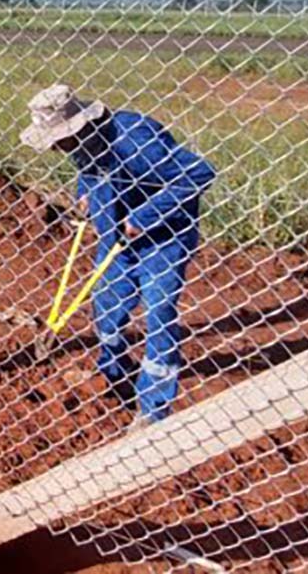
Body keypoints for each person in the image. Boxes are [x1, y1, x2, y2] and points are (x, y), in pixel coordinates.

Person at [21, 84, 215, 428]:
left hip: (162, 242)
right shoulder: (85, 142)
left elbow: (198, 174)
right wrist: (85, 197)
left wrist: (142, 219)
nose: (54, 148)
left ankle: (153, 410)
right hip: (116, 240)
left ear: (78, 126)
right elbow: (91, 170)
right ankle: (113, 373)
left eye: (57, 141)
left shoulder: (136, 140)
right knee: (107, 306)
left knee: (159, 315)